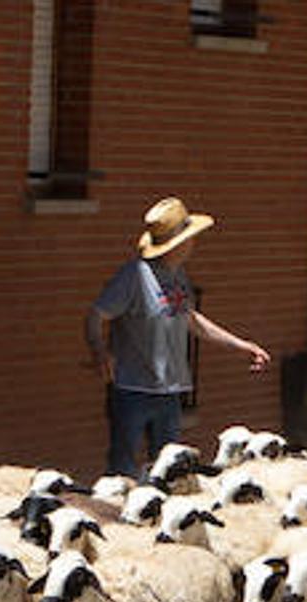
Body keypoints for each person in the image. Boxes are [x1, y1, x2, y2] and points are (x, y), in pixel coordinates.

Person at [85, 197, 270, 477]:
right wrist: (99, 349)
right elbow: (96, 315)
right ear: (178, 243)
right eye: (189, 238)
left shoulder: (178, 276)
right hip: (132, 391)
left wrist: (241, 345)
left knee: (170, 471)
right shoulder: (134, 276)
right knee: (123, 470)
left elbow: (192, 320)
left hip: (169, 393)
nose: (193, 243)